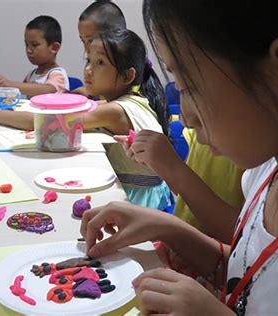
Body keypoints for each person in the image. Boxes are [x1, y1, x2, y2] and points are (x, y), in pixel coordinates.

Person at [81, 0, 278, 315]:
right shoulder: (268, 174)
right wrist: (165, 227)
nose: (187, 117)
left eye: (189, 87)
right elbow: (256, 272)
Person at [82, 28, 171, 210]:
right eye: (88, 60)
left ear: (127, 76)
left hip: (141, 200)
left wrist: (5, 114)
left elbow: (58, 121)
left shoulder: (115, 110)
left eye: (100, 62)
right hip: (145, 192)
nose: (88, 69)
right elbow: (83, 110)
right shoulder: (129, 100)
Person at [115, 128, 244, 243]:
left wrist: (174, 167)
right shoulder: (200, 130)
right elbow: (184, 193)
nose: (185, 120)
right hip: (185, 245)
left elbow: (240, 235)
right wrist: (157, 162)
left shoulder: (254, 158)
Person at [0, 15, 68, 129]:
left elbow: (49, 90)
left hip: (49, 125)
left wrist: (10, 84)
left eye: (34, 45)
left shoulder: (58, 74)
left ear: (54, 48)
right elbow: (18, 94)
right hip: (30, 122)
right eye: (26, 44)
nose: (28, 50)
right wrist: (2, 89)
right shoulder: (31, 74)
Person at [74, 0, 127, 97]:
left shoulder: (127, 67)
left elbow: (120, 103)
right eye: (83, 41)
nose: (87, 48)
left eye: (90, 40)